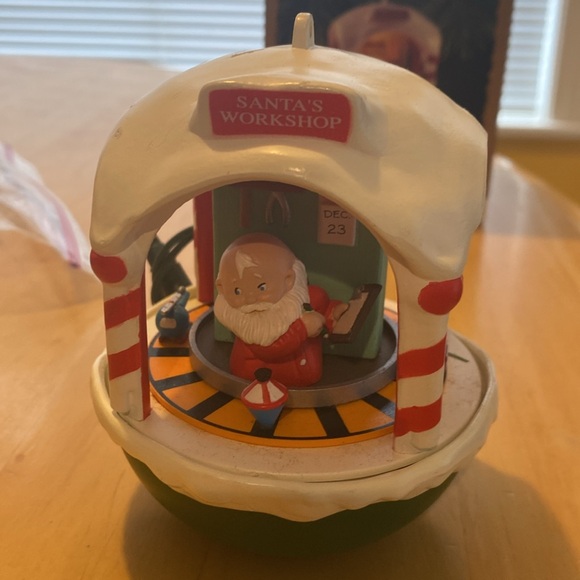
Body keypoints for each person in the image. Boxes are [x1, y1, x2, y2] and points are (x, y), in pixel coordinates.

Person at [214, 233, 348, 387]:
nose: (250, 299)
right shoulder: (250, 323)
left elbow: (321, 309)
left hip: (310, 376)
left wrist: (333, 315)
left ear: (289, 280)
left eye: (261, 287)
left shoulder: (304, 299)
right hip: (260, 384)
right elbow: (267, 347)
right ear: (222, 288)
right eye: (237, 291)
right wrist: (302, 329)